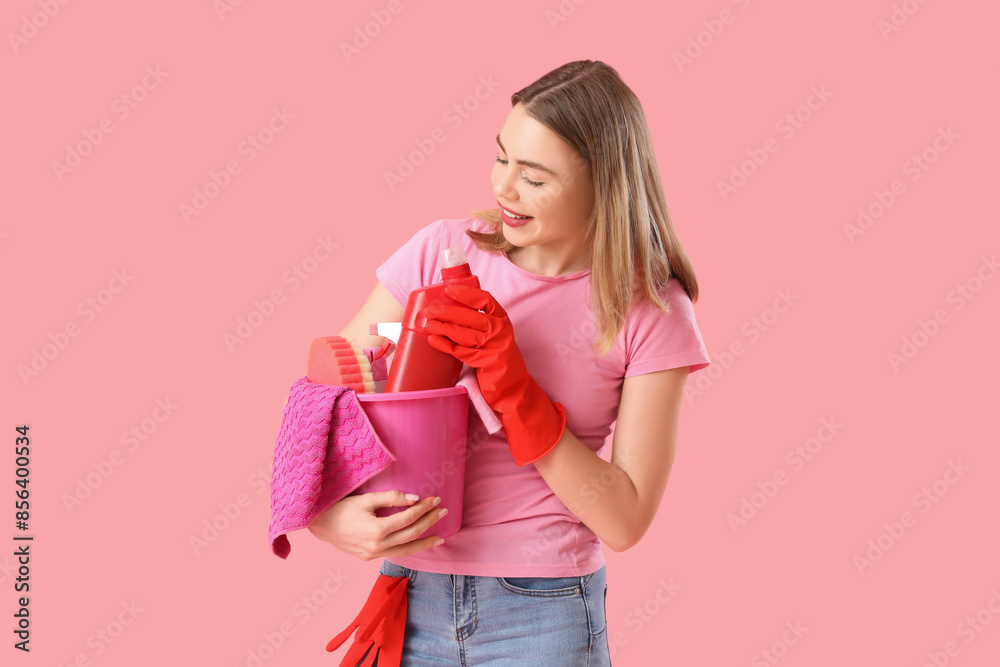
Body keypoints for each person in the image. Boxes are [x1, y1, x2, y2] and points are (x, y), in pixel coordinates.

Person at [308, 59, 710, 665]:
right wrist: (325, 517)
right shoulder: (438, 252)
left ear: (605, 185)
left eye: (536, 177)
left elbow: (625, 521)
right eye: (502, 158)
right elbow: (327, 398)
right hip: (410, 594)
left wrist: (514, 387)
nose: (504, 189)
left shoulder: (649, 309)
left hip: (543, 611)